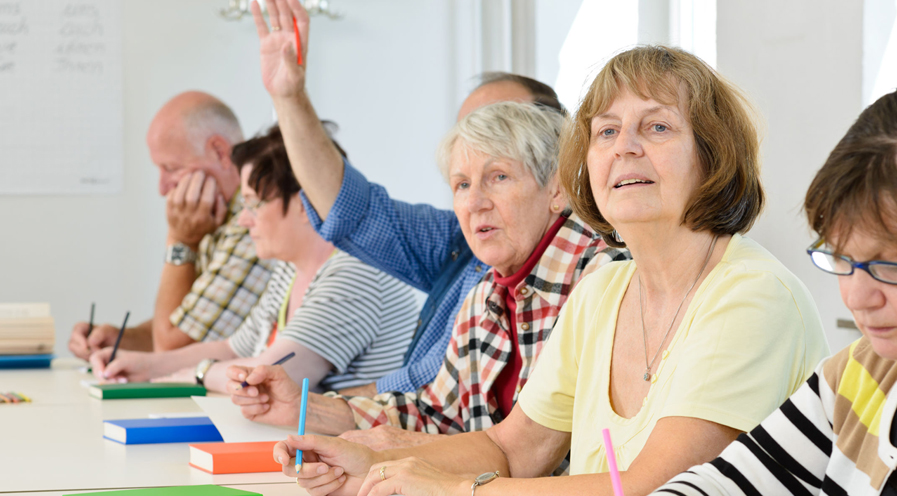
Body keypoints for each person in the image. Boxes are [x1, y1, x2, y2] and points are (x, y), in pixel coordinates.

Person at [267, 45, 828, 496]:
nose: (624, 146)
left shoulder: (750, 296)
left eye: (656, 126)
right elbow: (513, 449)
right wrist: (381, 469)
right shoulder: (603, 292)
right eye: (606, 131)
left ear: (714, 158)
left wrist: (455, 491)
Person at [630, 86, 897, 496]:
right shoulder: (869, 371)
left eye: (895, 266)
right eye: (844, 258)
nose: (858, 297)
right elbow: (725, 488)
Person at [249, 0, 566, 399]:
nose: (476, 197)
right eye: (463, 174)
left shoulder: (586, 270)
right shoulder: (461, 242)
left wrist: (342, 407)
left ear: (556, 166)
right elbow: (353, 211)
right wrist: (288, 97)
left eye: (501, 140)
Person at [88, 125, 418, 393]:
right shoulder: (291, 268)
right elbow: (234, 349)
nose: (244, 219)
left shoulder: (354, 272)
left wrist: (198, 373)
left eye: (253, 204)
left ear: (305, 202)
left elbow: (265, 381)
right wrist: (145, 366)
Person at [68, 91, 273, 357]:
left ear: (220, 152)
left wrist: (180, 240)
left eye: (172, 168)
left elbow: (173, 350)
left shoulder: (254, 223)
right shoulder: (217, 218)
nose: (163, 188)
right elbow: (192, 322)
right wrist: (119, 339)